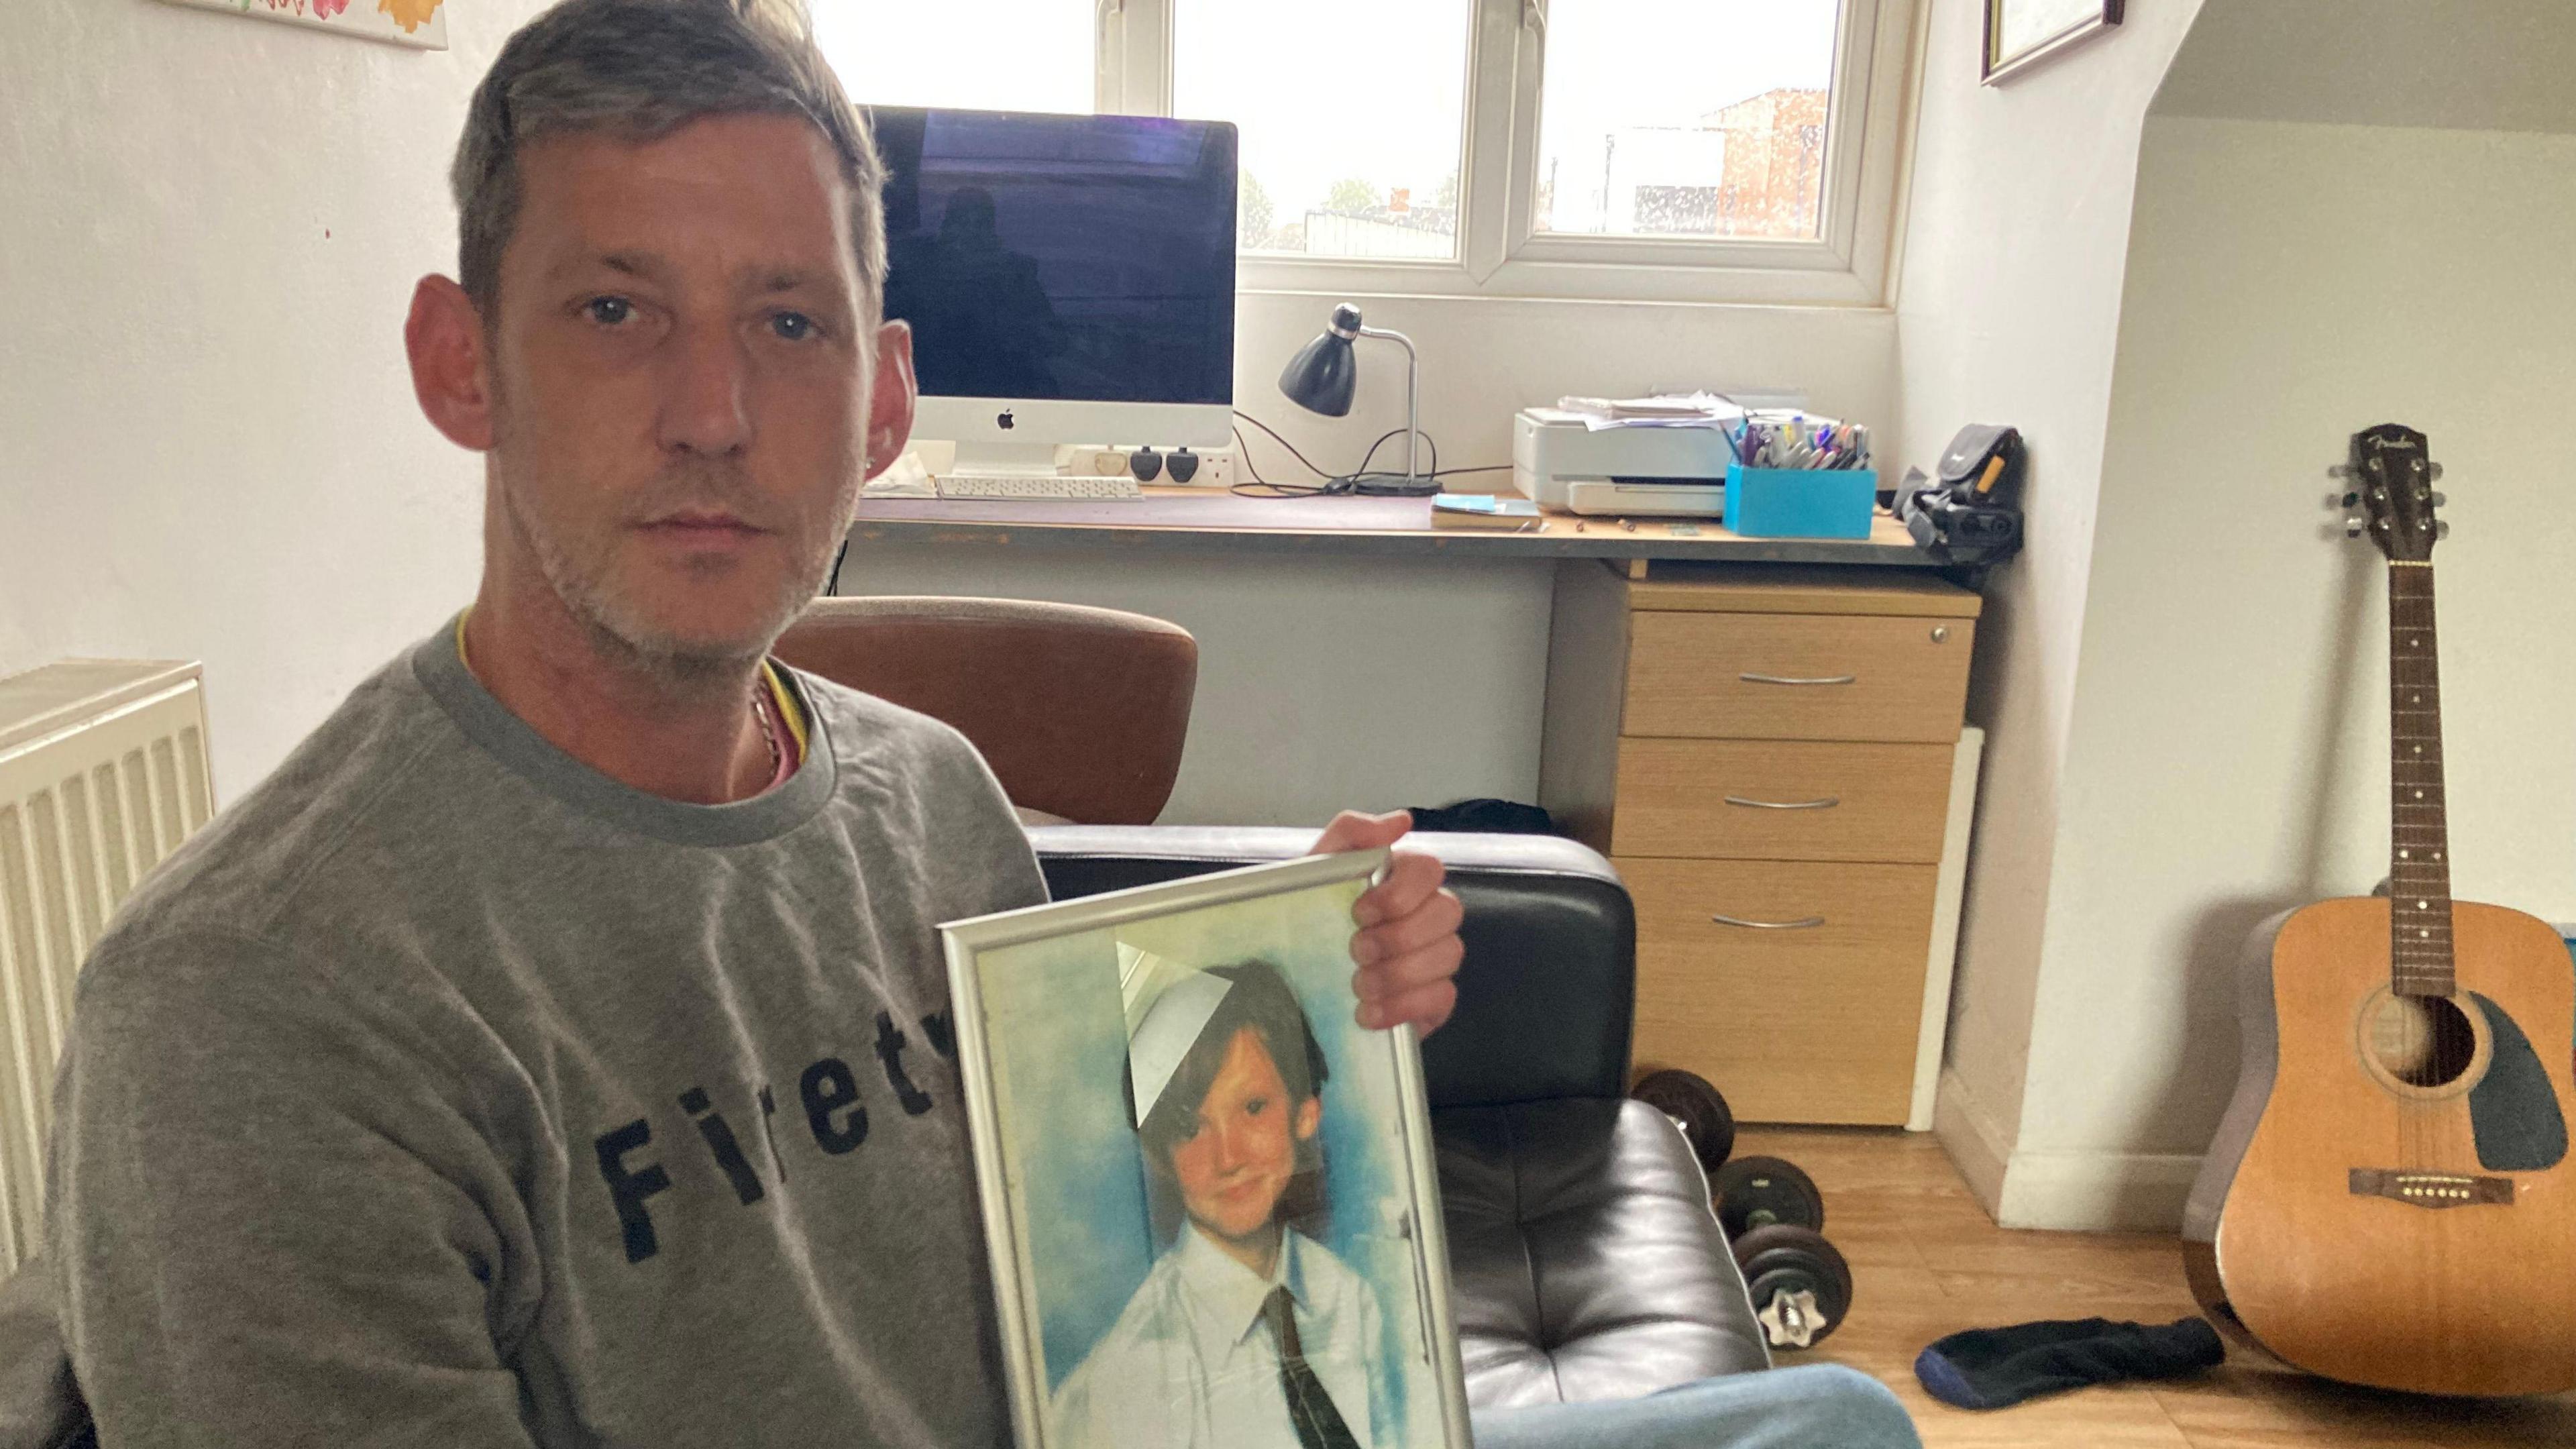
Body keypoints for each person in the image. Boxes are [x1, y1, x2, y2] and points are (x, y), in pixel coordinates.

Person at [19, 3, 1920, 1446]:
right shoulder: (253, 1012)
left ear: (881, 398)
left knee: (1833, 1420)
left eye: (788, 322)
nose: (710, 412)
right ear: (460, 363)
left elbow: (1103, 1243)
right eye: (614, 309)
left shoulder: (929, 799)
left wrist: (1290, 998)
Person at [1051, 955, 1389, 1449]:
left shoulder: (1350, 1300)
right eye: (1190, 1128)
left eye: (1253, 1108)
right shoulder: (1131, 1374)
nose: (1227, 1157)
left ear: (1305, 1114)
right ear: (1161, 1154)